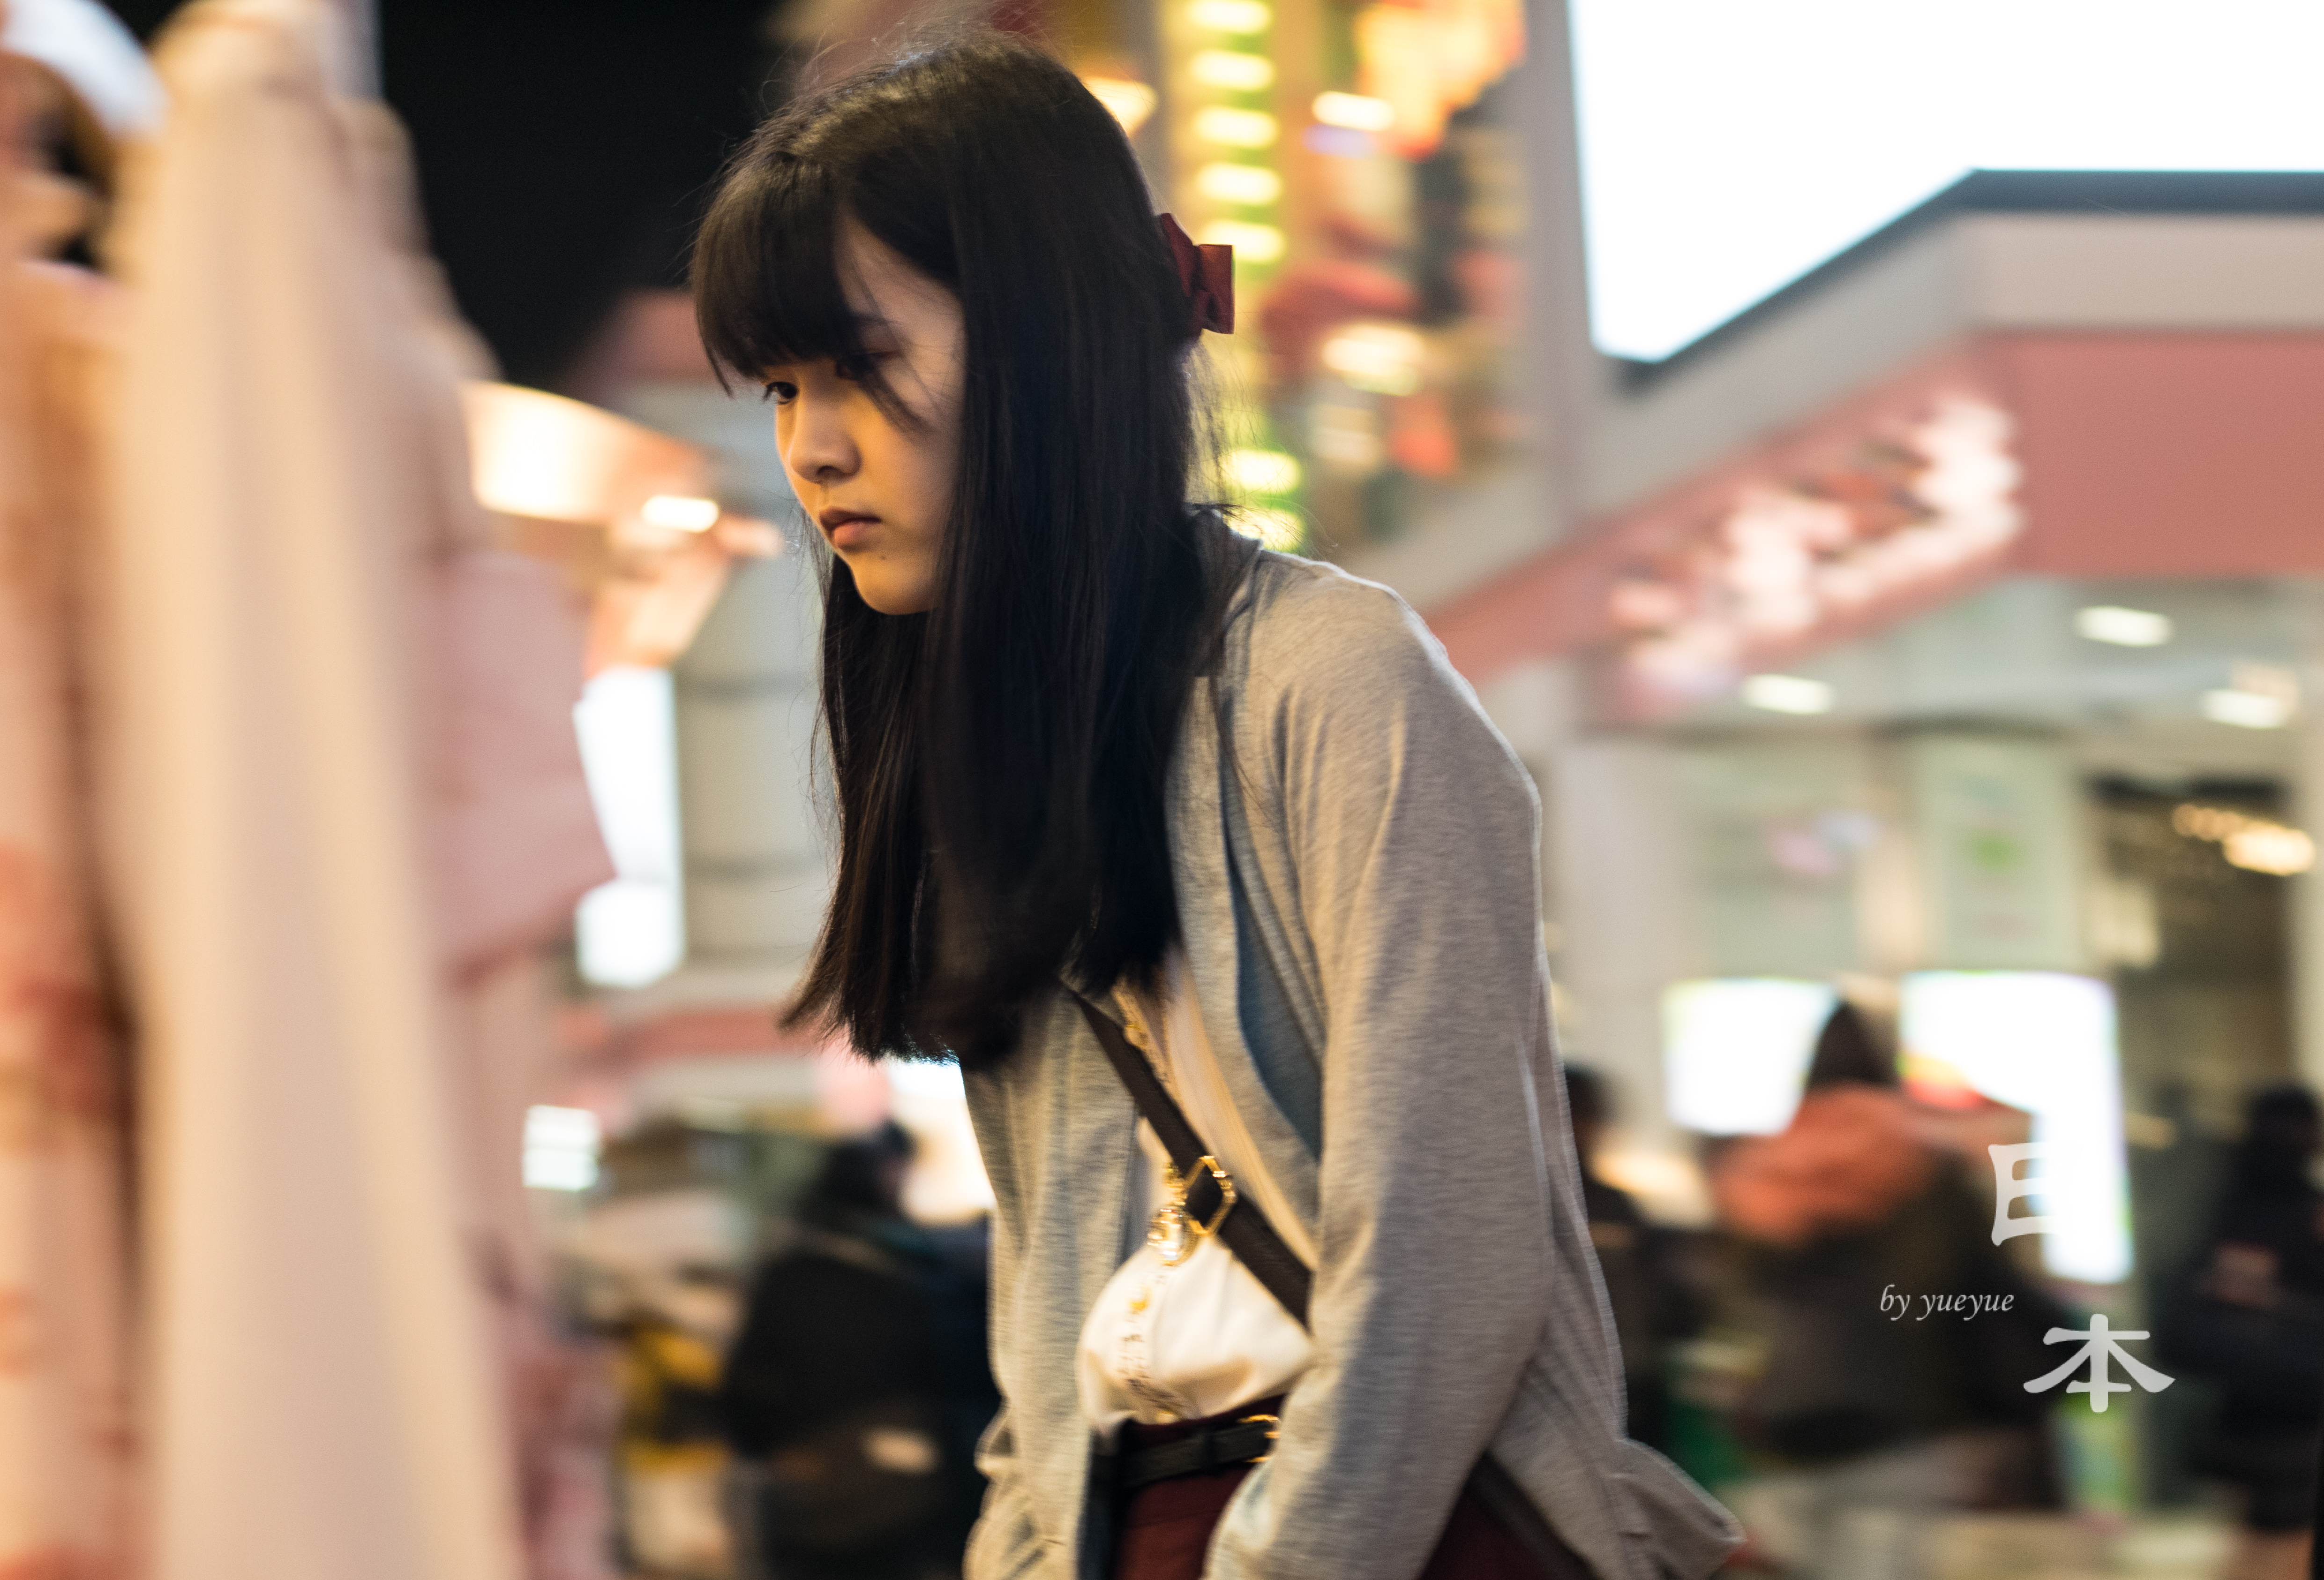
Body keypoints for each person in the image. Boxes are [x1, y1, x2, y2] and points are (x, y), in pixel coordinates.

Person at [689, 35, 1736, 1580]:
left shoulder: (1334, 675)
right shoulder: (984, 751)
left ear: (1050, 345)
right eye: (783, 387)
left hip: (1391, 1528)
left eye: (860, 363)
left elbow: (1444, 1253)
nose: (810, 446)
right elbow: (1045, 1328)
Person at [1709, 1003, 2059, 1580]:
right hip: (1895, 1420)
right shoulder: (1926, 1165)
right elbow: (1972, 1286)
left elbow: (1736, 1294)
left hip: (1788, 1422)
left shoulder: (1759, 1168)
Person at [722, 1126, 997, 1580]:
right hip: (927, 1497)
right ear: (889, 1175)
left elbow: (744, 1389)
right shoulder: (928, 1268)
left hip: (826, 1499)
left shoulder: (791, 1274)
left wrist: (780, 1452)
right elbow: (973, 1371)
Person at [2161, 1085, 2324, 1580]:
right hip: (2291, 1413)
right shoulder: (2303, 1212)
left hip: (2252, 1408)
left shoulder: (2231, 1204)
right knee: (2285, 1540)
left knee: (2263, 1538)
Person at [1564, 1067, 1699, 1452]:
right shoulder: (1609, 1206)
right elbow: (1669, 1302)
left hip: (1621, 1384)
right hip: (1608, 1386)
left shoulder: (1614, 1204)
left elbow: (1667, 1302)